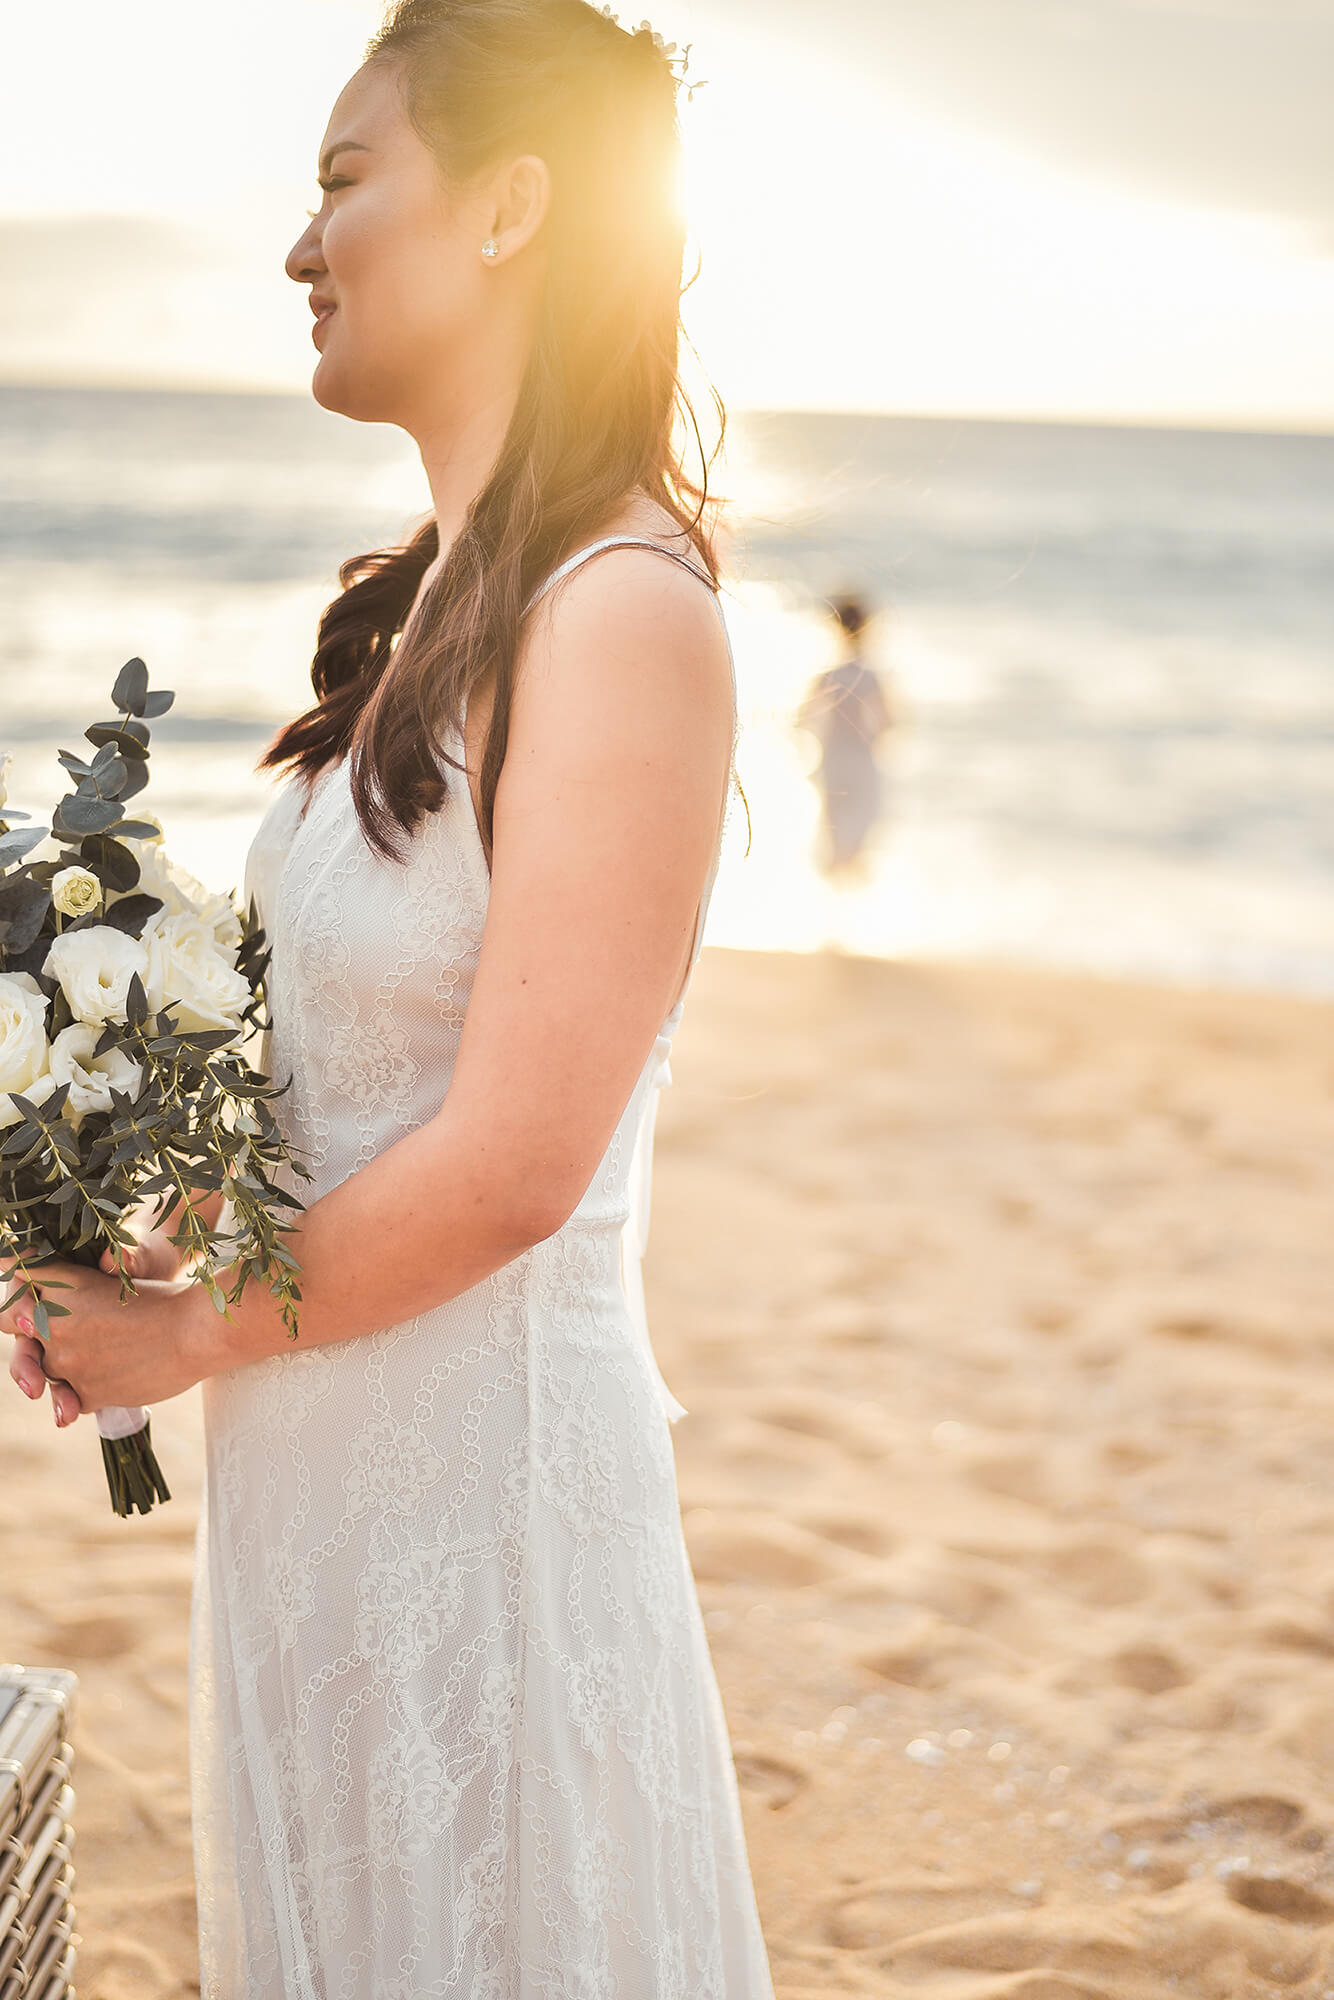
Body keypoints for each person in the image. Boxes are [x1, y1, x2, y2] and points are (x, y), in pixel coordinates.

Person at [2, 3, 776, 1993]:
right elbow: (371, 1079)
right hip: (320, 1499)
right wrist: (134, 1190)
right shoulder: (433, 604)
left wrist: (185, 1332)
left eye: (347, 180)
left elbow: (519, 1159)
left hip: (485, 1525)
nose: (300, 246)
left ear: (513, 207)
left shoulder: (620, 616)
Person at [797, 591, 894, 874]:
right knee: (862, 826)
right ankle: (849, 896)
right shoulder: (871, 675)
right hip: (861, 757)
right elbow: (889, 722)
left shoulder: (829, 675)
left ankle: (833, 895)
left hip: (832, 756)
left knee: (833, 828)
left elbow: (802, 719)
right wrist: (873, 739)